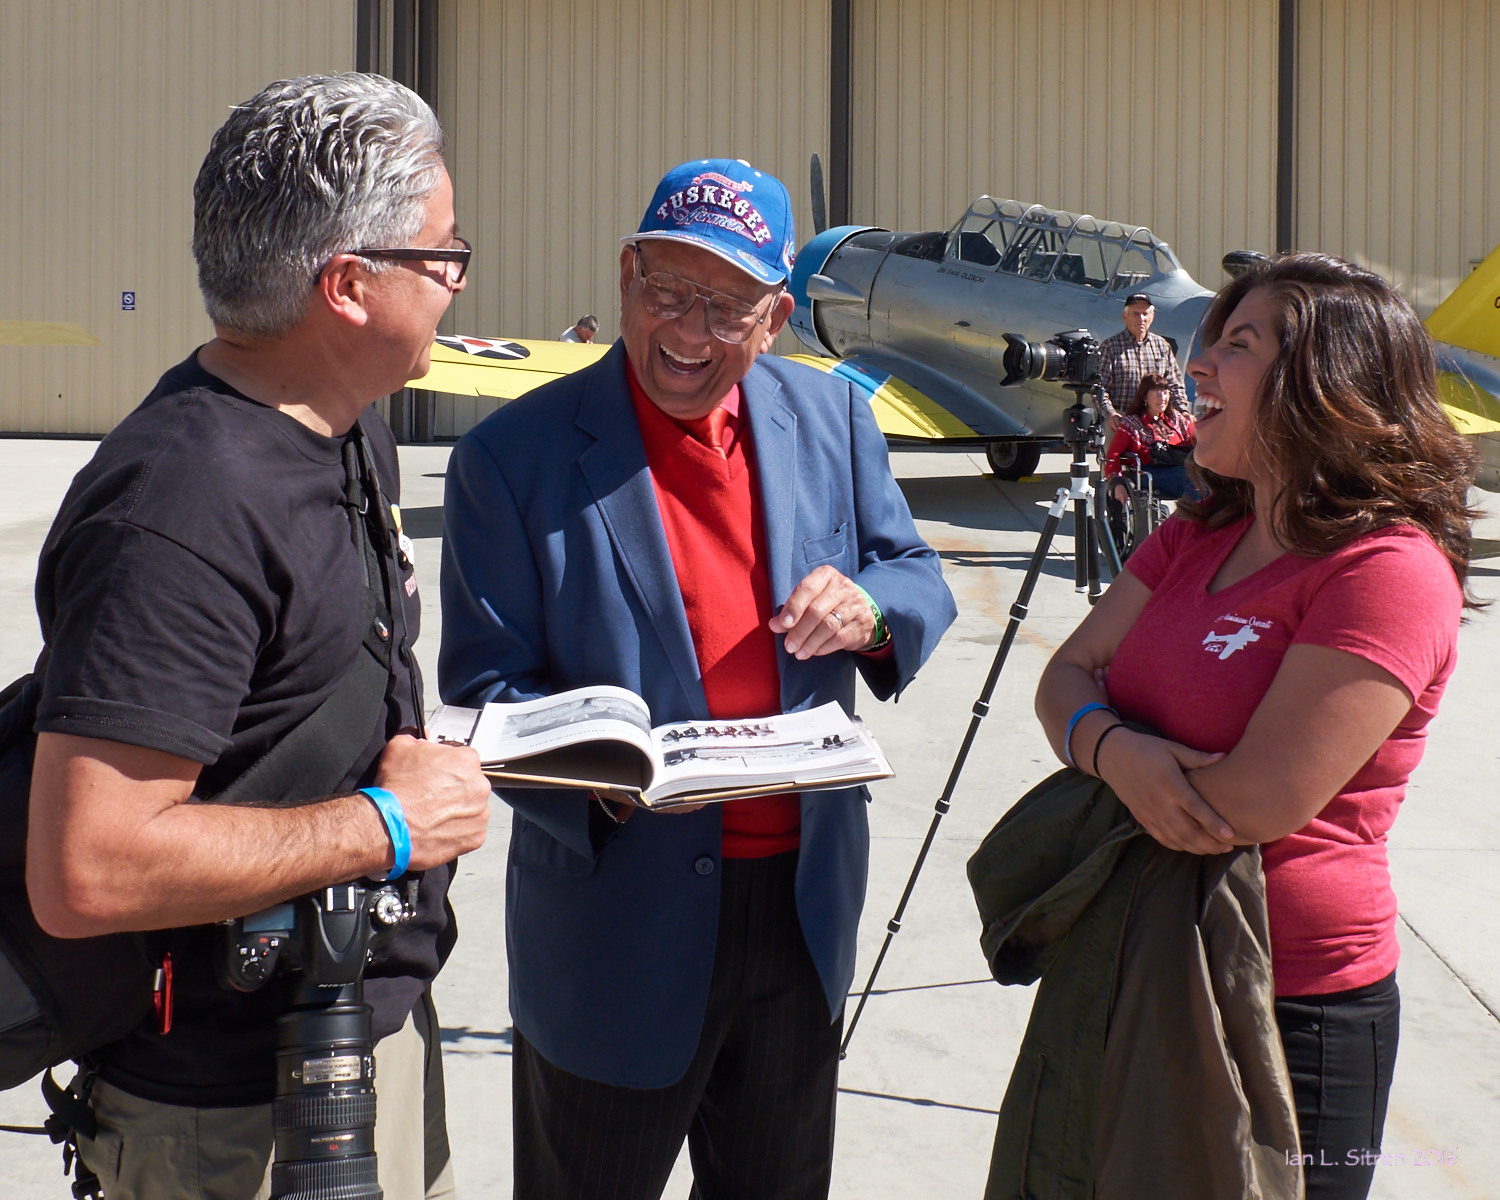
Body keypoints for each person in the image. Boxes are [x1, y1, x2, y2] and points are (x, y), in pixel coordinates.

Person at [440, 157, 956, 1199]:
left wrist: (868, 610)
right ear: (626, 273)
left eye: (723, 307)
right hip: (616, 919)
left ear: (774, 320)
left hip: (801, 909)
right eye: (666, 291)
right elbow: (487, 687)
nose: (685, 332)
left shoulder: (834, 422)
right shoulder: (512, 457)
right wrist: (591, 769)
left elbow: (912, 574)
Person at [25, 74, 492, 1199]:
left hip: (351, 1039)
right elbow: (88, 869)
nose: (458, 283)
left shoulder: (343, 433)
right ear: (347, 285)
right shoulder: (180, 507)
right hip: (219, 1120)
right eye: (441, 257)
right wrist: (386, 823)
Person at [1036, 252, 1477, 1200]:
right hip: (1140, 961)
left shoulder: (1386, 572)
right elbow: (1064, 677)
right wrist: (1120, 750)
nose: (1196, 368)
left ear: (1329, 381)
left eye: (1238, 345)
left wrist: (1103, 751)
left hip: (1292, 1009)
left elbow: (1254, 801)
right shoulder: (1194, 533)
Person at [1096, 292, 1190, 435]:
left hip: (1156, 421)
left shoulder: (1162, 346)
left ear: (1152, 317)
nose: (1141, 319)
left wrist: (1183, 411)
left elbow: (1174, 384)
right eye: (1135, 314)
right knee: (1117, 457)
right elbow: (1099, 388)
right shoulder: (1111, 346)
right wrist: (1110, 414)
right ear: (1124, 317)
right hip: (1121, 419)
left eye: (1145, 314)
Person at [1102, 371, 1197, 503]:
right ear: (1145, 398)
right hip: (1148, 473)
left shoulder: (1178, 421)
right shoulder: (1131, 424)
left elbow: (1198, 442)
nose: (1162, 397)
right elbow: (1112, 456)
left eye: (1165, 392)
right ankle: (1194, 520)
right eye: (1156, 392)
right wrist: (1117, 483)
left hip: (1178, 469)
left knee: (1209, 476)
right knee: (1194, 478)